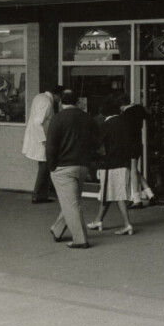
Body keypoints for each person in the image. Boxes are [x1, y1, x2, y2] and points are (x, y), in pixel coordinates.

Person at [46, 89, 98, 249]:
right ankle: (57, 229)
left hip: (63, 167)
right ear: (77, 102)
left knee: (71, 204)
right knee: (72, 201)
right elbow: (95, 140)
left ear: (61, 102)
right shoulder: (87, 118)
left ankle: (80, 239)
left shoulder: (58, 118)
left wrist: (51, 166)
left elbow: (51, 145)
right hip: (82, 165)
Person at [89, 96, 134, 236]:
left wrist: (95, 159)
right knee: (111, 192)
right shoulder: (125, 122)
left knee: (115, 193)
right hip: (124, 163)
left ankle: (127, 224)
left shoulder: (106, 125)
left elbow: (95, 144)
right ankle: (98, 220)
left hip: (109, 164)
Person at [22, 85, 64, 203]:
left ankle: (42, 195)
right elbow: (38, 122)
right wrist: (44, 140)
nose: (59, 100)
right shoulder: (47, 102)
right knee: (45, 166)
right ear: (56, 95)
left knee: (44, 166)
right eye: (60, 97)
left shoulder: (39, 97)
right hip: (42, 139)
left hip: (37, 137)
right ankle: (38, 195)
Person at [119, 93, 155, 208]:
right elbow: (149, 115)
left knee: (133, 170)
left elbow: (125, 134)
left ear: (121, 105)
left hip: (130, 145)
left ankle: (137, 199)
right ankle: (150, 194)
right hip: (138, 143)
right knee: (134, 169)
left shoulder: (124, 115)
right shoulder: (139, 109)